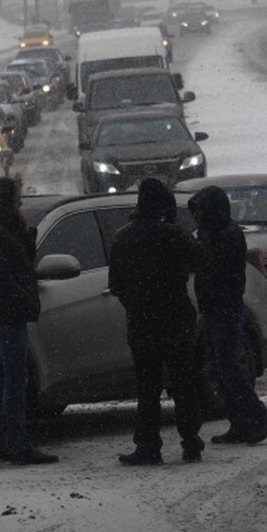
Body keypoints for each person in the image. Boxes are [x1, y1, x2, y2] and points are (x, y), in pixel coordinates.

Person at [108, 178, 205, 465]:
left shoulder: (124, 238)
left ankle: (148, 446)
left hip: (142, 323)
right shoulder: (175, 235)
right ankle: (191, 441)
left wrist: (137, 302)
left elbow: (115, 284)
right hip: (177, 319)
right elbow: (201, 260)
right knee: (183, 382)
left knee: (147, 388)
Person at [0, 177, 58, 466]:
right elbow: (6, 276)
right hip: (7, 315)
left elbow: (16, 266)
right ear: (5, 202)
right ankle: (18, 443)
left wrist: (23, 232)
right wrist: (21, 297)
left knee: (0, 377)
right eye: (15, 199)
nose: (20, 203)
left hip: (1, 314)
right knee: (14, 380)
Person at [189, 185, 267, 445]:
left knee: (227, 368)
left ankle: (257, 419)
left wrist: (200, 253)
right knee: (220, 368)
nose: (199, 215)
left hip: (226, 308)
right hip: (214, 307)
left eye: (202, 210)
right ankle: (240, 423)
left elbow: (215, 267)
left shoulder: (226, 234)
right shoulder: (212, 232)